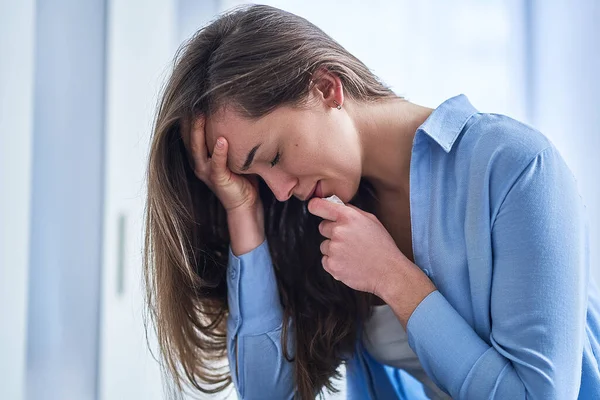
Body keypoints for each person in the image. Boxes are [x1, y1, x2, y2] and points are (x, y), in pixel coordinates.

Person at [142, 4, 600, 399]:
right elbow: (267, 393)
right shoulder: (320, 218)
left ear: (326, 87)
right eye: (256, 177)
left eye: (274, 157)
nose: (279, 189)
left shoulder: (514, 166)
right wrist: (243, 211)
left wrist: (392, 278)